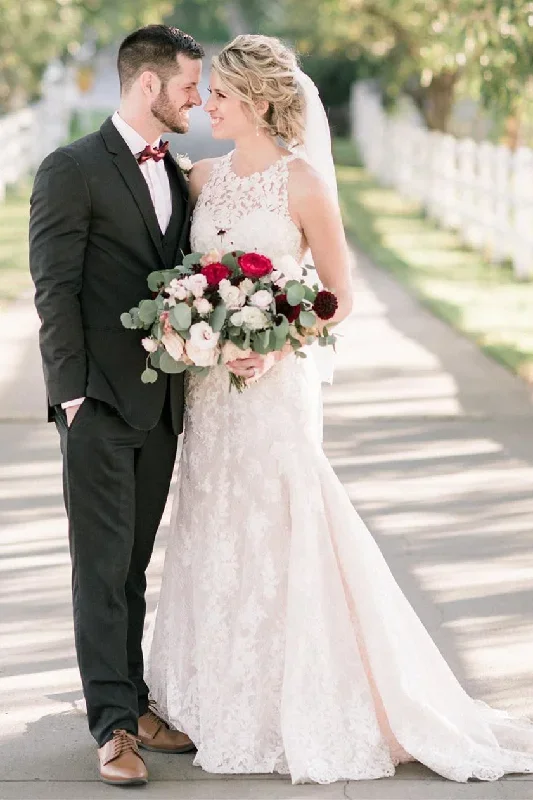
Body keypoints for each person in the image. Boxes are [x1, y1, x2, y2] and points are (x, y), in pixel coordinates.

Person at [144, 34, 533, 784]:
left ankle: (309, 694)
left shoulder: (303, 184)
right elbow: (185, 276)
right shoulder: (201, 178)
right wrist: (194, 327)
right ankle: (213, 695)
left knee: (283, 522)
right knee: (213, 524)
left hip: (273, 386)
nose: (206, 104)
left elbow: (337, 295)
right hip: (211, 392)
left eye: (218, 94)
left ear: (256, 101)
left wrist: (275, 342)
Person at [29, 25, 212, 787]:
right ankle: (111, 729)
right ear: (147, 84)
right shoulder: (71, 167)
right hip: (98, 403)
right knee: (100, 571)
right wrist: (71, 396)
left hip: (163, 407)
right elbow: (55, 287)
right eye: (188, 87)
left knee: (132, 568)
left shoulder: (175, 169)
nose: (197, 101)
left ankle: (132, 703)